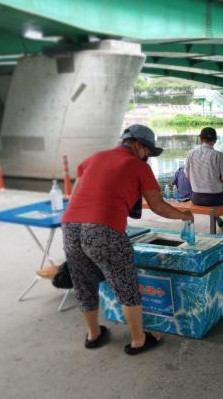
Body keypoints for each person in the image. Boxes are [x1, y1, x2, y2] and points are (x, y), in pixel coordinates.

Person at [61, 124, 194, 353]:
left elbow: (76, 196)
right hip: (104, 229)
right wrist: (184, 215)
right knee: (125, 284)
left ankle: (93, 335)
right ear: (138, 145)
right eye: (148, 152)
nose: (148, 158)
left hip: (71, 226)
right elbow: (159, 207)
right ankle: (138, 339)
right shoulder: (137, 166)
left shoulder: (94, 158)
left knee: (83, 283)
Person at [185, 127, 223, 232]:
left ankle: (219, 221)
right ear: (215, 140)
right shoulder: (219, 156)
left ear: (200, 139)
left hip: (196, 198)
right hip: (215, 199)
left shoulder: (190, 154)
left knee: (210, 202)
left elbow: (187, 176)